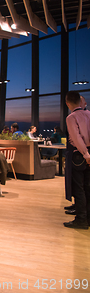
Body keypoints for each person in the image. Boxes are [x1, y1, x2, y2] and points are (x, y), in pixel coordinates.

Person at [63, 91, 90, 229]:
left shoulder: (71, 117)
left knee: (78, 188)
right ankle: (88, 218)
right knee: (88, 186)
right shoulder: (89, 114)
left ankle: (81, 220)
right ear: (80, 101)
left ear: (67, 103)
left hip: (79, 155)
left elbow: (77, 138)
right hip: (89, 152)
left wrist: (85, 154)